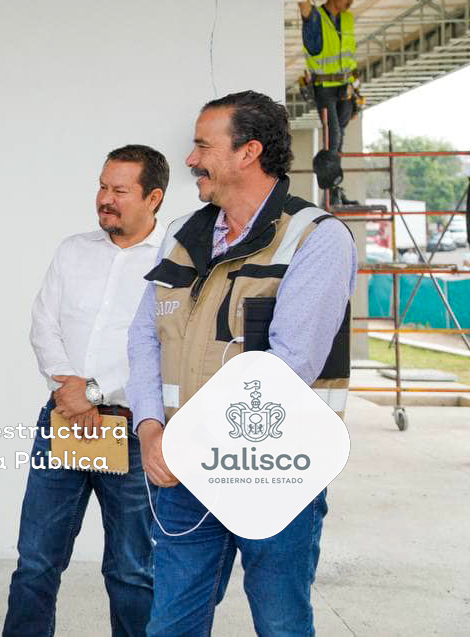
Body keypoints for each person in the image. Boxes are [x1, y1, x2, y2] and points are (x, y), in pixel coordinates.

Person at [126, 90, 355, 636]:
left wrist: (188, 446)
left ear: (248, 152)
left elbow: (288, 367)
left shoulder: (316, 239)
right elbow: (143, 337)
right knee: (170, 626)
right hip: (181, 475)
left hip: (276, 472)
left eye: (203, 146)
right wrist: (150, 427)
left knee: (280, 624)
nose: (190, 159)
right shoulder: (183, 234)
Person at [4, 144, 169, 637]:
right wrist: (69, 390)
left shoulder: (174, 261)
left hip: (134, 430)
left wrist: (93, 393)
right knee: (36, 561)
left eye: (119, 190)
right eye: (102, 186)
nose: (104, 199)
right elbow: (43, 324)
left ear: (153, 198)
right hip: (62, 420)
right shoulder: (73, 250)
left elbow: (163, 348)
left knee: (132, 570)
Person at [297, 0, 361, 205]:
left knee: (339, 139)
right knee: (331, 139)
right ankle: (331, 191)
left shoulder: (347, 20)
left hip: (345, 88)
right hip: (324, 88)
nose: (351, 1)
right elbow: (303, 3)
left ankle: (336, 189)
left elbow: (349, 57)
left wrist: (356, 90)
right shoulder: (316, 18)